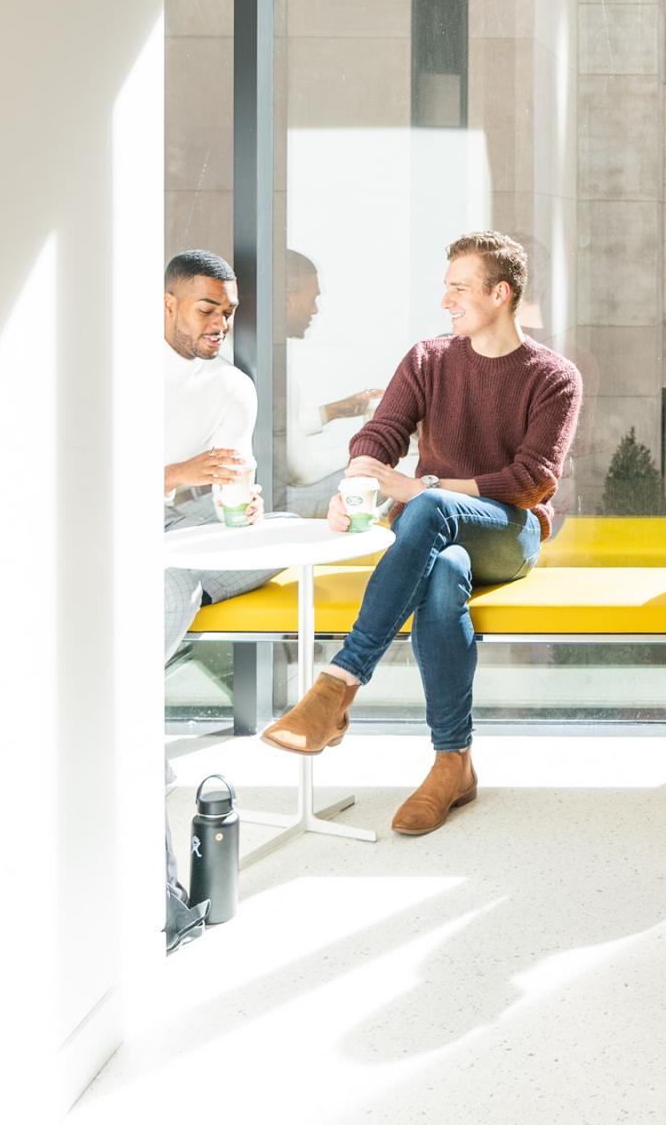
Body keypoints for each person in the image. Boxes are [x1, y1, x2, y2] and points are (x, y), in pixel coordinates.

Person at [261, 231, 583, 838]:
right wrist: (354, 489)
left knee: (428, 509)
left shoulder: (553, 376)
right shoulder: (428, 359)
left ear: (500, 293)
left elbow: (531, 480)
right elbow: (381, 435)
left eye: (459, 288)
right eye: (446, 288)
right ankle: (451, 763)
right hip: (438, 540)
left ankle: (339, 683)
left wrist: (426, 487)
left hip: (509, 532)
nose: (446, 300)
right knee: (442, 580)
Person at [163, 250, 279, 661]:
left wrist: (242, 507)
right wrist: (177, 474)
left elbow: (231, 479)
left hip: (167, 526)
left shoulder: (232, 387)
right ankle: (114, 714)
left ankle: (175, 576)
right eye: (207, 310)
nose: (221, 325)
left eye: (228, 312)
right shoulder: (118, 368)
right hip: (100, 525)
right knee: (178, 591)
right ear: (169, 304)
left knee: (281, 533)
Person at [284, 249, 384, 517]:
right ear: (287, 298)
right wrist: (371, 445)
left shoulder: (257, 354)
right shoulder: (274, 368)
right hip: (275, 500)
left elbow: (276, 434)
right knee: (384, 476)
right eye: (312, 298)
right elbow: (304, 472)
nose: (315, 309)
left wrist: (334, 411)